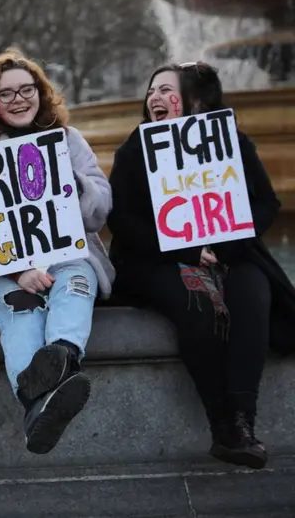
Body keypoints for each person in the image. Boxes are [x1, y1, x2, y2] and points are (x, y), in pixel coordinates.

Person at [107, 61, 292, 469]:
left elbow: (266, 203)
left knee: (253, 294)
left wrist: (225, 245)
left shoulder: (233, 143)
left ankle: (243, 421)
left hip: (232, 253)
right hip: (153, 260)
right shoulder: (135, 148)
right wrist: (187, 253)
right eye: (152, 90)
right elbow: (121, 219)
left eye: (166, 89)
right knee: (197, 305)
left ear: (196, 100)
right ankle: (222, 424)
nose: (155, 97)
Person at [0, 50, 114, 454]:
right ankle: (41, 401)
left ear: (41, 93)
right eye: (5, 94)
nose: (19, 99)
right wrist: (16, 268)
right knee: (21, 311)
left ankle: (60, 356)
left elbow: (100, 204)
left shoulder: (69, 140)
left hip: (68, 255)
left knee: (77, 283)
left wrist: (74, 185)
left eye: (27, 89)